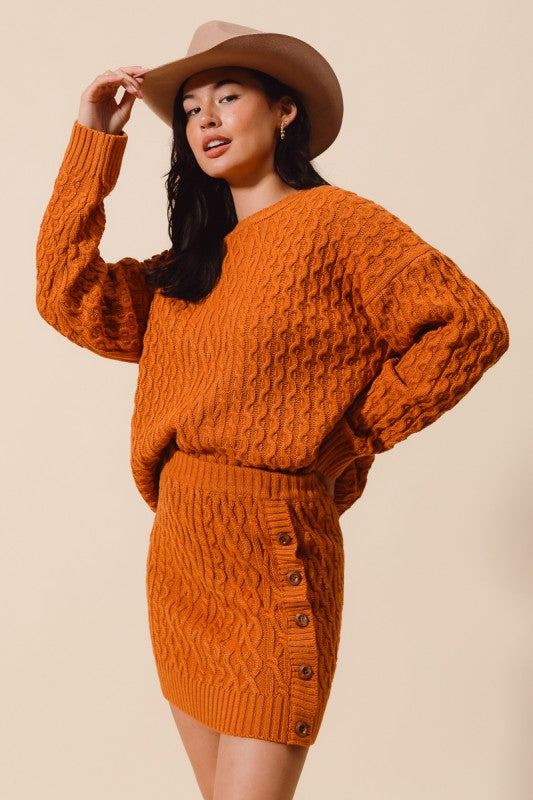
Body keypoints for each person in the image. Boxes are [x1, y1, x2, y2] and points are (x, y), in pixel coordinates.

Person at [35, 19, 510, 800]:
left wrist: (352, 437)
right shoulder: (193, 264)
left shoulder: (338, 225)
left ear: (284, 112)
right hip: (182, 555)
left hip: (271, 546)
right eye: (189, 110)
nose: (206, 121)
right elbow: (67, 294)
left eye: (228, 97)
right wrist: (93, 142)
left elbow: (468, 325)